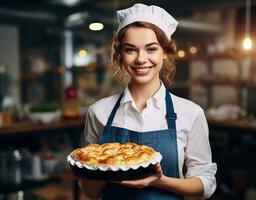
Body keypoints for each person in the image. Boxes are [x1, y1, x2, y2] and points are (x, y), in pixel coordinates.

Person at [80, 3, 217, 200]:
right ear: (120, 55)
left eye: (151, 49)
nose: (141, 59)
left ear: (165, 53)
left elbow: (205, 184)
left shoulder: (190, 113)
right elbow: (91, 193)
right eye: (130, 50)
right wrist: (104, 166)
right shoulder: (99, 112)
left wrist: (161, 181)